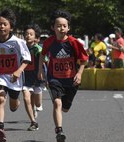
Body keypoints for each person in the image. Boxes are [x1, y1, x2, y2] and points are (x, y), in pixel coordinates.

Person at [38, 10, 88, 142]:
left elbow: (84, 60)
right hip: (54, 78)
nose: (61, 28)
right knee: (56, 103)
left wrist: (79, 73)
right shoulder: (49, 42)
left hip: (71, 80)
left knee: (65, 108)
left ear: (68, 27)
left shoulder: (73, 42)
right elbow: (42, 55)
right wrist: (40, 71)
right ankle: (59, 131)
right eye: (58, 25)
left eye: (64, 26)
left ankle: (64, 112)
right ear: (53, 27)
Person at [0, 8, 31, 142]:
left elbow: (27, 59)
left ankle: (16, 101)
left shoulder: (18, 42)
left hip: (14, 78)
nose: (1, 26)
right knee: (1, 98)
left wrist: (18, 71)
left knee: (13, 105)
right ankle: (0, 127)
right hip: (0, 75)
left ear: (11, 27)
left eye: (4, 24)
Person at [22, 23, 43, 131]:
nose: (28, 35)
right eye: (26, 34)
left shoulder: (38, 49)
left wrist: (42, 73)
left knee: (38, 103)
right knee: (26, 98)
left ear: (35, 37)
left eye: (31, 34)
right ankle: (33, 122)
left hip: (37, 78)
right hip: (26, 78)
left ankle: (36, 107)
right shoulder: (21, 48)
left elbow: (44, 61)